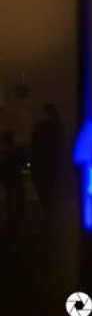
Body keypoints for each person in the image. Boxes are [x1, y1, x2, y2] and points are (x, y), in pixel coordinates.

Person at [0, 83, 35, 231]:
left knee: (9, 181)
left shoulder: (13, 110)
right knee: (19, 180)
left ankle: (11, 210)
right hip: (25, 148)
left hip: (13, 149)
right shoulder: (30, 111)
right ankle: (20, 209)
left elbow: (6, 129)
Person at [29, 104, 65, 230]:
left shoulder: (40, 127)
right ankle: (50, 212)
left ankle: (48, 211)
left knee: (43, 187)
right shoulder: (58, 127)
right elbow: (62, 146)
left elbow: (34, 145)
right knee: (51, 187)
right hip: (53, 162)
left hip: (42, 162)